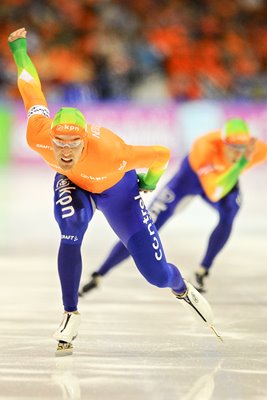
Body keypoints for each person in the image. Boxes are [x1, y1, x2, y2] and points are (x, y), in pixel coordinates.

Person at [8, 28, 221, 355]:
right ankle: (70, 313)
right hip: (76, 184)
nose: (64, 151)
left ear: (85, 140)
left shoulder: (112, 150)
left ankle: (180, 287)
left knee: (154, 274)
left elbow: (161, 155)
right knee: (71, 228)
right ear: (50, 137)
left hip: (119, 194)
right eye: (59, 143)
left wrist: (148, 183)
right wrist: (19, 48)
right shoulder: (38, 134)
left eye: (73, 143)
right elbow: (30, 87)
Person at [79, 118, 267, 296]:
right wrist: (241, 164)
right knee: (146, 224)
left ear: (249, 145)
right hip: (189, 181)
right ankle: (100, 274)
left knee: (229, 213)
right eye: (232, 148)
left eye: (242, 149)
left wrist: (239, 164)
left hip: (224, 181)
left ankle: (203, 270)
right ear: (222, 143)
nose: (237, 153)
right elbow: (214, 192)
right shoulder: (205, 147)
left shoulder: (256, 150)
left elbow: (221, 186)